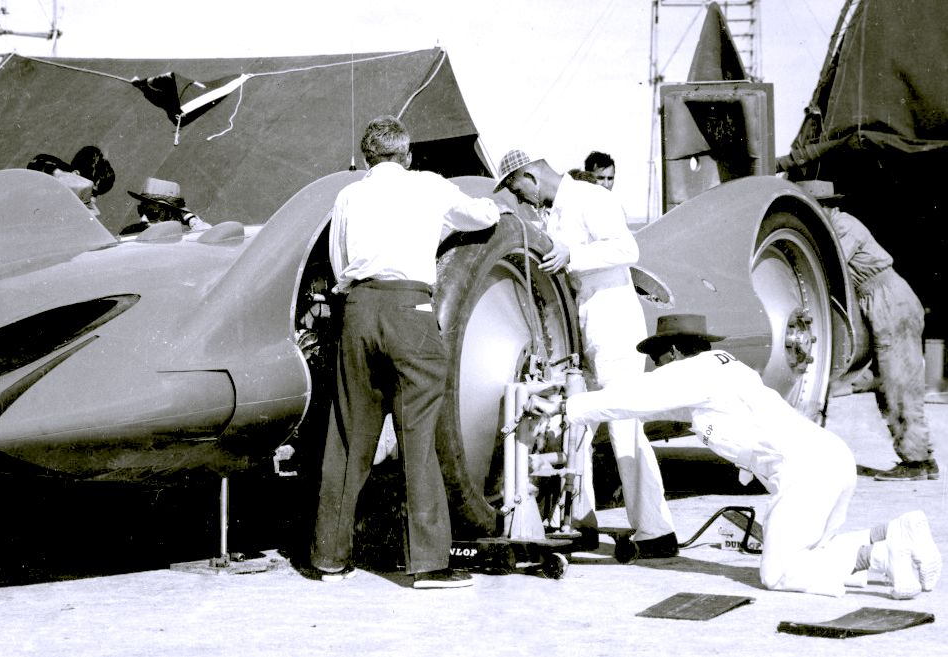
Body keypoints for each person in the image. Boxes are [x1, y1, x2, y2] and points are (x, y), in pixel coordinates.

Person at [528, 313, 942, 598]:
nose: (655, 369)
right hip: (830, 458)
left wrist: (568, 408)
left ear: (672, 352)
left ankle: (887, 556)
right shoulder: (729, 369)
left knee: (777, 573)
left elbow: (634, 399)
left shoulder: (693, 372)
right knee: (811, 553)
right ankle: (895, 532)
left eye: (656, 360)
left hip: (806, 472)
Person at [311, 115, 502, 589]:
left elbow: (339, 261)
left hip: (357, 309)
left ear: (367, 157)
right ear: (408, 154)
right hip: (411, 309)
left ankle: (329, 559)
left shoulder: (348, 195)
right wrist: (502, 210)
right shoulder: (431, 187)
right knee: (419, 438)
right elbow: (482, 216)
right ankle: (429, 564)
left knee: (349, 438)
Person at [493, 149, 675, 553]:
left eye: (517, 188)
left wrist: (574, 256)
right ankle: (581, 522)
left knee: (625, 425)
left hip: (614, 326)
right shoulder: (554, 211)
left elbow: (628, 250)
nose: (521, 198)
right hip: (584, 331)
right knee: (577, 425)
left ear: (531, 176)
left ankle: (656, 530)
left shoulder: (593, 199)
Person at [797, 180, 939, 482]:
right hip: (878, 300)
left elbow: (828, 265)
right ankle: (919, 458)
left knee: (899, 382)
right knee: (890, 385)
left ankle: (917, 461)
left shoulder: (844, 225)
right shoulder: (837, 225)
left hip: (888, 299)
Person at [121, 177, 211, 235]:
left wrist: (190, 218)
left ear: (170, 215)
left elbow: (207, 234)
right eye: (141, 211)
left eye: (152, 213)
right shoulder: (129, 232)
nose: (143, 219)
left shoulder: (183, 237)